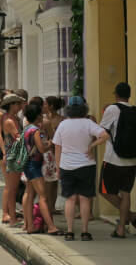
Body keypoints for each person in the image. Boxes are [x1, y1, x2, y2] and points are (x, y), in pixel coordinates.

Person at [52, 95, 109, 241]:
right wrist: (92, 146)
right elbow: (104, 135)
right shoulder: (88, 123)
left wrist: (58, 168)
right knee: (85, 199)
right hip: (86, 166)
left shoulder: (63, 125)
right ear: (84, 108)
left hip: (67, 166)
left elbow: (57, 148)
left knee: (70, 200)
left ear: (69, 109)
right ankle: (84, 232)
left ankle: (70, 232)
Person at [99, 82, 136, 238]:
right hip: (132, 160)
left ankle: (131, 217)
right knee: (126, 193)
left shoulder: (112, 109)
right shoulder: (134, 110)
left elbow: (102, 131)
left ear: (116, 95)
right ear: (129, 95)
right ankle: (121, 228)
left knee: (104, 191)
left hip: (113, 158)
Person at [20, 103, 62, 235]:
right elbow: (42, 149)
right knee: (43, 197)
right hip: (35, 166)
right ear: (38, 116)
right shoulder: (35, 131)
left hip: (28, 165)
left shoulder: (26, 129)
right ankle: (50, 226)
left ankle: (29, 225)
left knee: (29, 193)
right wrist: (49, 144)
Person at [0, 93, 25, 223]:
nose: (20, 106)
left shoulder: (15, 118)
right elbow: (18, 137)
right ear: (12, 105)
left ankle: (11, 215)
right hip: (12, 156)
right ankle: (10, 216)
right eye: (18, 104)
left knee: (12, 187)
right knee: (12, 187)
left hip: (15, 155)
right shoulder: (9, 121)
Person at [42, 96, 65, 215]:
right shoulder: (44, 120)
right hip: (48, 152)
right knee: (48, 182)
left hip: (57, 152)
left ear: (51, 106)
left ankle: (52, 206)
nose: (43, 106)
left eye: (45, 104)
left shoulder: (62, 120)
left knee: (55, 181)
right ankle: (48, 207)